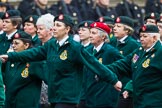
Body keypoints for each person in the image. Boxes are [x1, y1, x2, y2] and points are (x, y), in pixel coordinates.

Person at [0, 14, 122, 108]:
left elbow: (93, 63)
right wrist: (10, 56)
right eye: (54, 24)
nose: (54, 28)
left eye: (58, 25)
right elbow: (33, 53)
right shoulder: (52, 44)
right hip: (54, 95)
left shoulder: (74, 47)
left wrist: (113, 80)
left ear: (67, 29)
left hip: (67, 97)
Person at [105, 24, 162, 108]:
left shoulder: (159, 53)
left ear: (154, 38)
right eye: (141, 36)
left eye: (145, 36)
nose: (141, 39)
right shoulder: (139, 51)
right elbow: (122, 65)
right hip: (139, 101)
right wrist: (102, 69)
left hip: (154, 102)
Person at [84, 22, 123, 108]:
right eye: (90, 32)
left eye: (94, 33)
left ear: (103, 37)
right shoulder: (87, 50)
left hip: (105, 97)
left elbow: (123, 66)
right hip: (89, 96)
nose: (90, 35)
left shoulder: (110, 51)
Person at [3, 30, 46, 108]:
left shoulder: (34, 61)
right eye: (12, 43)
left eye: (17, 43)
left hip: (26, 104)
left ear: (26, 45)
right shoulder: (11, 60)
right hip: (10, 102)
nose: (13, 46)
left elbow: (48, 77)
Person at [113, 16, 140, 108]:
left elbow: (135, 68)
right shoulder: (112, 42)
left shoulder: (134, 45)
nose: (114, 28)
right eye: (115, 26)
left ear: (127, 30)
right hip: (111, 87)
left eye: (119, 26)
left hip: (124, 88)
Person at [36, 13, 54, 108]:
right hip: (39, 91)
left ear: (50, 30)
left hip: (52, 89)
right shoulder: (38, 45)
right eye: (37, 28)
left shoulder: (55, 46)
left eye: (41, 29)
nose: (38, 31)